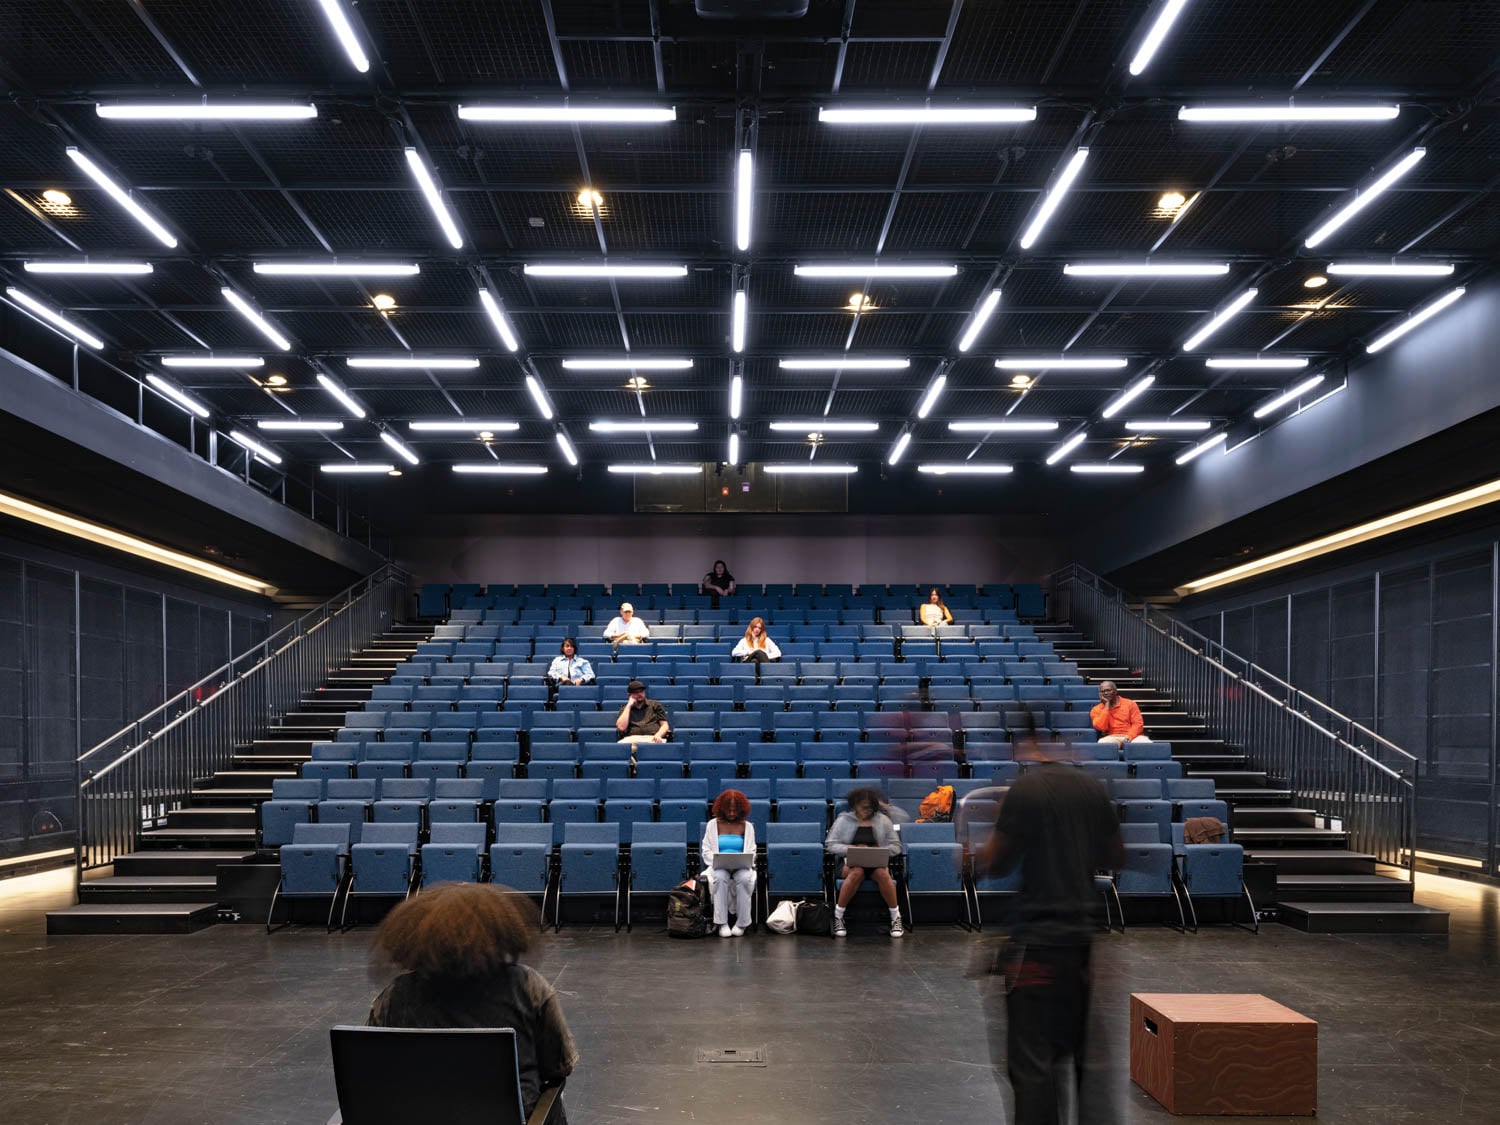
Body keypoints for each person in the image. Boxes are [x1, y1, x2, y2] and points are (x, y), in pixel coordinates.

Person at [978, 733, 1125, 1125]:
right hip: (1081, 943)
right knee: (1085, 1059)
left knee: (1032, 1065)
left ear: (1028, 746)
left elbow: (995, 864)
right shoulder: (1090, 788)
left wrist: (992, 832)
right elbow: (1116, 855)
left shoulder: (1024, 791)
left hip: (1035, 942)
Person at [366, 882, 579, 1123]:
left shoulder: (393, 997)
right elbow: (558, 1065)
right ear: (497, 931)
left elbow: (375, 1073)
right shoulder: (528, 987)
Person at [824, 787, 904, 938]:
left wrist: (882, 849)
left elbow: (897, 846)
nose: (867, 810)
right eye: (864, 807)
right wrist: (852, 848)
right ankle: (838, 916)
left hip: (876, 862)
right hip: (850, 863)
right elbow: (830, 844)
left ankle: (896, 917)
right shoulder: (843, 820)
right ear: (855, 805)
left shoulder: (883, 820)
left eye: (870, 807)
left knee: (882, 873)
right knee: (857, 871)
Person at [700, 789, 757, 937]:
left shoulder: (748, 826)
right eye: (729, 810)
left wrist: (747, 860)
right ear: (722, 808)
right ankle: (722, 923)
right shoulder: (712, 825)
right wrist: (717, 861)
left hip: (741, 866)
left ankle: (742, 923)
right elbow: (706, 851)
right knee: (719, 877)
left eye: (735, 810)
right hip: (718, 866)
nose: (732, 813)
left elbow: (752, 851)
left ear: (741, 810)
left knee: (745, 879)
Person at [1090, 680, 1150, 745]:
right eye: (1102, 691)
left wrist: (1129, 738)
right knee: (1102, 743)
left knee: (1145, 743)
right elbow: (1101, 727)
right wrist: (1106, 705)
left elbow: (1138, 724)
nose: (1106, 693)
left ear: (1115, 691)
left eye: (1108, 690)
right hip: (1112, 737)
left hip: (1132, 736)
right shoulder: (1096, 709)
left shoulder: (1130, 704)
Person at [615, 680, 670, 745]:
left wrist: (658, 735)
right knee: (622, 747)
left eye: (641, 691)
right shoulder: (625, 709)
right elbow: (621, 727)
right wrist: (629, 706)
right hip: (633, 740)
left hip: (652, 739)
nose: (639, 694)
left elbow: (665, 725)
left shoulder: (655, 705)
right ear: (629, 695)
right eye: (636, 692)